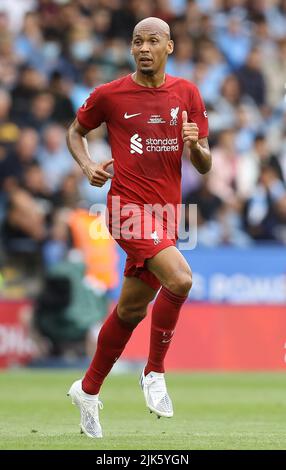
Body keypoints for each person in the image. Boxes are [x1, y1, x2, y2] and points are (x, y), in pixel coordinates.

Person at [66, 16, 211, 438]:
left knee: (130, 310)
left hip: (165, 215)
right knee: (181, 279)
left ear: (169, 47)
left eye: (153, 41)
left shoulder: (187, 94)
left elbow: (204, 163)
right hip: (124, 209)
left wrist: (195, 145)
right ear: (131, 49)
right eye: (137, 41)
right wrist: (89, 165)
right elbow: (76, 131)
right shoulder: (111, 95)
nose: (144, 47)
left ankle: (88, 391)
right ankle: (154, 371)